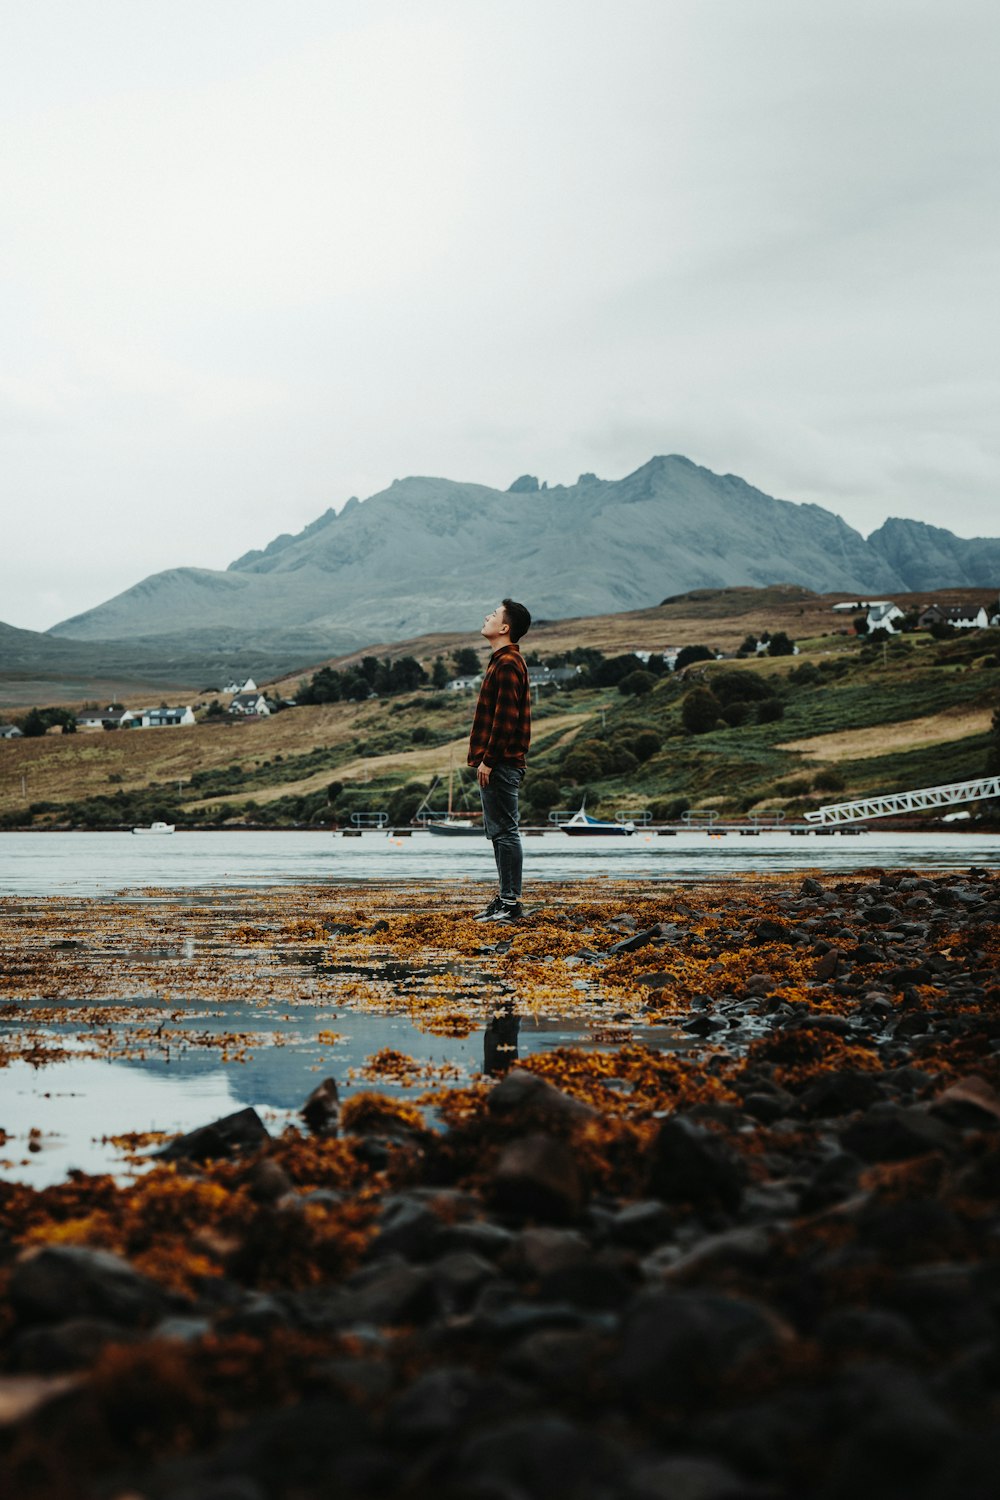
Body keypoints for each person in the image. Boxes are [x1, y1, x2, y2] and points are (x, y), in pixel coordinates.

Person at [467, 598, 532, 922]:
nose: (487, 617)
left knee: (505, 832)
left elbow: (504, 721)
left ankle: (510, 903)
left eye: (493, 615)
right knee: (499, 832)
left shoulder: (507, 664)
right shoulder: (502, 661)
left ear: (505, 628)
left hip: (502, 762)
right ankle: (505, 899)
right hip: (500, 762)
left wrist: (489, 761)